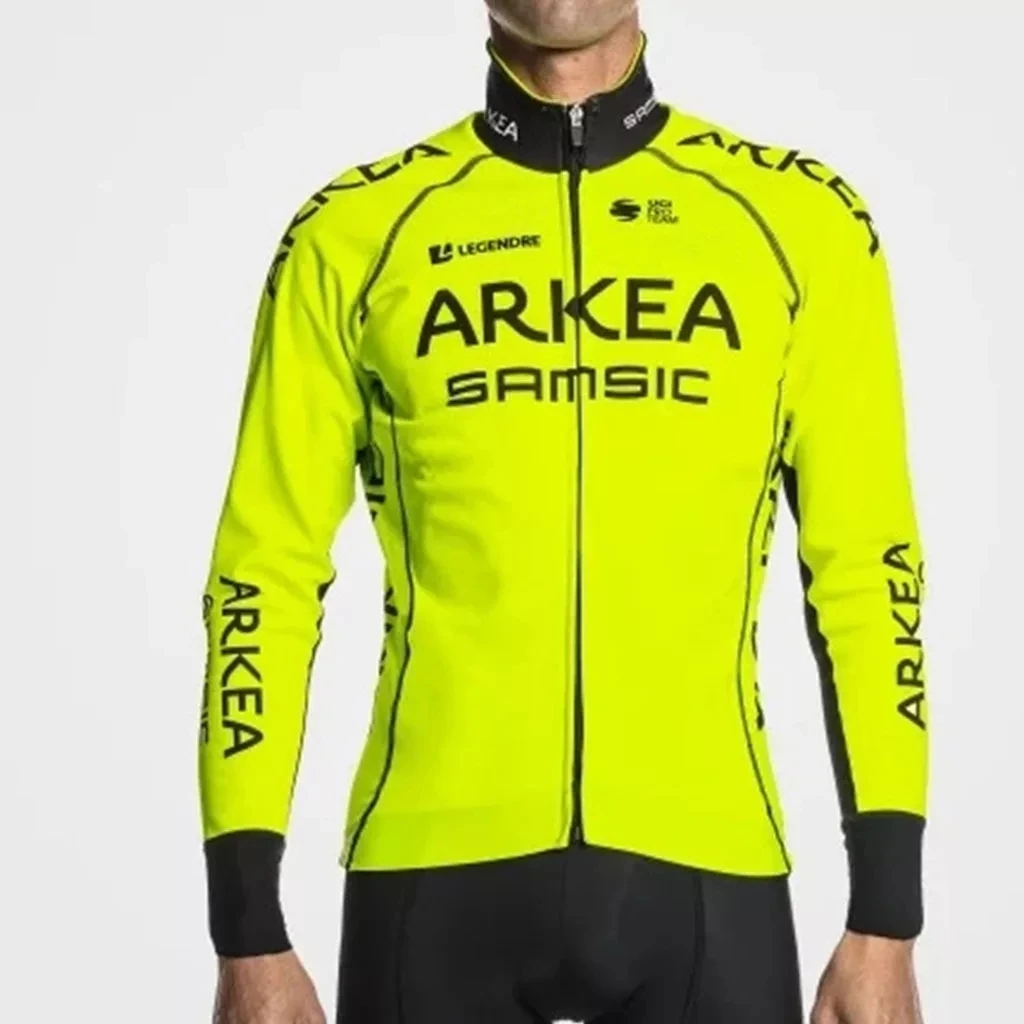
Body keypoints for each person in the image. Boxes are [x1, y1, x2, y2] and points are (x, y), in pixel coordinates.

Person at [198, 1, 930, 1021]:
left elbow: (868, 571)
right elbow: (262, 573)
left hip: (710, 870)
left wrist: (887, 916)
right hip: (430, 866)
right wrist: (246, 930)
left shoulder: (799, 223)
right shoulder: (355, 233)